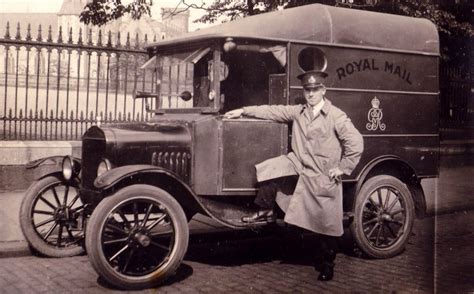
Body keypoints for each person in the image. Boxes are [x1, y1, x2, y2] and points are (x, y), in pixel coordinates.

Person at [224, 70, 364, 281]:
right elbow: (272, 111)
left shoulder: (336, 116)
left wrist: (343, 168)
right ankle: (265, 209)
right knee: (271, 167)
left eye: (315, 90)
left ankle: (327, 264)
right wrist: (243, 110)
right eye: (307, 90)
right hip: (298, 165)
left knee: (326, 226)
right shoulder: (298, 112)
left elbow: (355, 143)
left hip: (322, 176)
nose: (311, 94)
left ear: (323, 91)